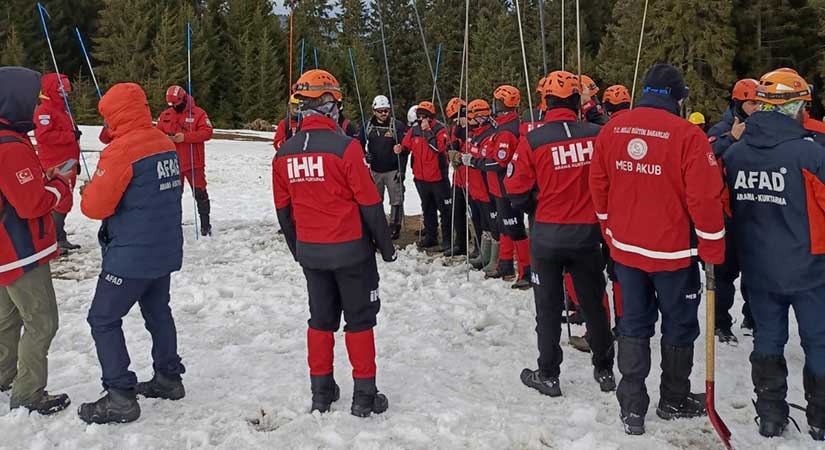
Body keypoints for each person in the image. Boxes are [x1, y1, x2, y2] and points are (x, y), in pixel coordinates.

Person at [590, 63, 726, 435]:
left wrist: (609, 228)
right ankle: (674, 398)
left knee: (633, 324)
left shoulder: (613, 128)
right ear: (677, 98)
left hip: (627, 250)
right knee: (679, 326)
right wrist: (713, 248)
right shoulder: (688, 135)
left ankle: (632, 407)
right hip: (673, 254)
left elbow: (598, 183)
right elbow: (705, 199)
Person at [272, 69, 396, 417]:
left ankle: (321, 392)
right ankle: (364, 395)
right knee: (359, 321)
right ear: (329, 105)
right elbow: (370, 204)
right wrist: (386, 247)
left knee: (320, 320)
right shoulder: (346, 148)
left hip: (312, 251)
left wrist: (300, 251)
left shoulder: (284, 154)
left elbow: (284, 213)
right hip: (351, 250)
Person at [722, 69, 825, 441]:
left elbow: (728, 211)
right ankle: (821, 420)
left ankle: (769, 415)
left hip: (759, 270)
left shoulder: (734, 155)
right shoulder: (810, 154)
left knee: (767, 340)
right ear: (794, 106)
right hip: (810, 269)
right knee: (819, 341)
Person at [77, 82, 186, 424]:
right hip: (163, 248)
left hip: (131, 254)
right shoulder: (163, 141)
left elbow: (96, 206)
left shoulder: (122, 151)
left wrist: (89, 189)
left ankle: (119, 395)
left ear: (113, 115)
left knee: (103, 318)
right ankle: (169, 377)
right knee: (158, 312)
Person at [505, 70, 615, 396]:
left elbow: (515, 188)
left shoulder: (533, 140)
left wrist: (534, 206)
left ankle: (549, 373)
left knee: (548, 308)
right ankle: (605, 368)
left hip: (548, 236)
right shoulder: (597, 134)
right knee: (594, 303)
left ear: (545, 101)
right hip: (587, 236)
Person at [0, 66, 73, 415]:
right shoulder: (10, 147)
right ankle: (28, 393)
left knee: (7, 318)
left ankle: (3, 376)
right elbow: (31, 204)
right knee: (41, 321)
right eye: (31, 101)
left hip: (3, 250)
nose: (34, 108)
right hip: (19, 249)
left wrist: (37, 179)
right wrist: (59, 186)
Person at [458, 85, 530, 289]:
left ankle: (527, 270)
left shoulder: (507, 131)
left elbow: (498, 162)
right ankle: (505, 263)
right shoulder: (503, 127)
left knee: (514, 229)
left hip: (506, 187)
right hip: (499, 187)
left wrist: (473, 161)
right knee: (504, 226)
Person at [706, 78, 760, 341]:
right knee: (724, 273)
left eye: (761, 103)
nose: (757, 108)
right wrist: (730, 140)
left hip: (754, 211)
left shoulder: (763, 130)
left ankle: (752, 317)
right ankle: (720, 323)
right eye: (752, 103)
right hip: (727, 212)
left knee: (756, 271)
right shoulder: (721, 130)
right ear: (738, 104)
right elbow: (706, 161)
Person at [156, 85, 214, 236]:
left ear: (183, 99)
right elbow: (156, 133)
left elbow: (207, 132)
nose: (173, 107)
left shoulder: (198, 113)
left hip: (194, 162)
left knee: (200, 193)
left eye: (175, 103)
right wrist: (165, 138)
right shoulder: (166, 115)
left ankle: (205, 225)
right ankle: (173, 225)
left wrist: (186, 137)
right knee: (173, 196)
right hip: (172, 163)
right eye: (170, 104)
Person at [33, 72, 82, 252]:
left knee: (65, 198)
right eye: (62, 92)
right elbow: (43, 135)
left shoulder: (63, 111)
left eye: (67, 93)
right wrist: (70, 136)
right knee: (60, 200)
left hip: (67, 162)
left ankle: (59, 237)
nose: (66, 96)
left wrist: (75, 162)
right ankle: (52, 241)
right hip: (55, 164)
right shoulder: (44, 111)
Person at [398, 101, 452, 251]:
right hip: (421, 178)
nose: (422, 119)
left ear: (431, 116)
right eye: (419, 116)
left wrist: (428, 131)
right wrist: (400, 148)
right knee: (427, 208)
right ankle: (431, 236)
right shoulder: (414, 130)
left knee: (445, 210)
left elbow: (439, 147)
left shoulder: (440, 129)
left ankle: (448, 239)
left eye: (425, 116)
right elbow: (406, 146)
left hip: (438, 178)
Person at [360, 95, 408, 240]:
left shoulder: (397, 126)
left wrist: (402, 170)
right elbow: (358, 144)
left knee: (396, 199)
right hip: (375, 170)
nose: (383, 114)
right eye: (380, 111)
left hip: (393, 169)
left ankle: (395, 226)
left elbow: (405, 148)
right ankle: (378, 225)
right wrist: (364, 156)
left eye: (386, 111)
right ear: (374, 111)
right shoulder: (367, 125)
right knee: (375, 200)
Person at [462, 100, 500, 271]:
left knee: (494, 225)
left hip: (487, 187)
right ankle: (484, 255)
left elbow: (488, 160)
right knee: (484, 223)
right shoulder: (473, 133)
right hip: (475, 188)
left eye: (471, 118)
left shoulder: (490, 134)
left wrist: (473, 160)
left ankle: (496, 259)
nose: (468, 121)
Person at [444, 97, 470, 257]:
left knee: (476, 214)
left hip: (472, 178)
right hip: (458, 176)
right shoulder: (455, 128)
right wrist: (451, 149)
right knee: (457, 211)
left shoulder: (474, 127)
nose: (456, 121)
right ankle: (461, 242)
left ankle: (480, 246)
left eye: (458, 117)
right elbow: (450, 150)